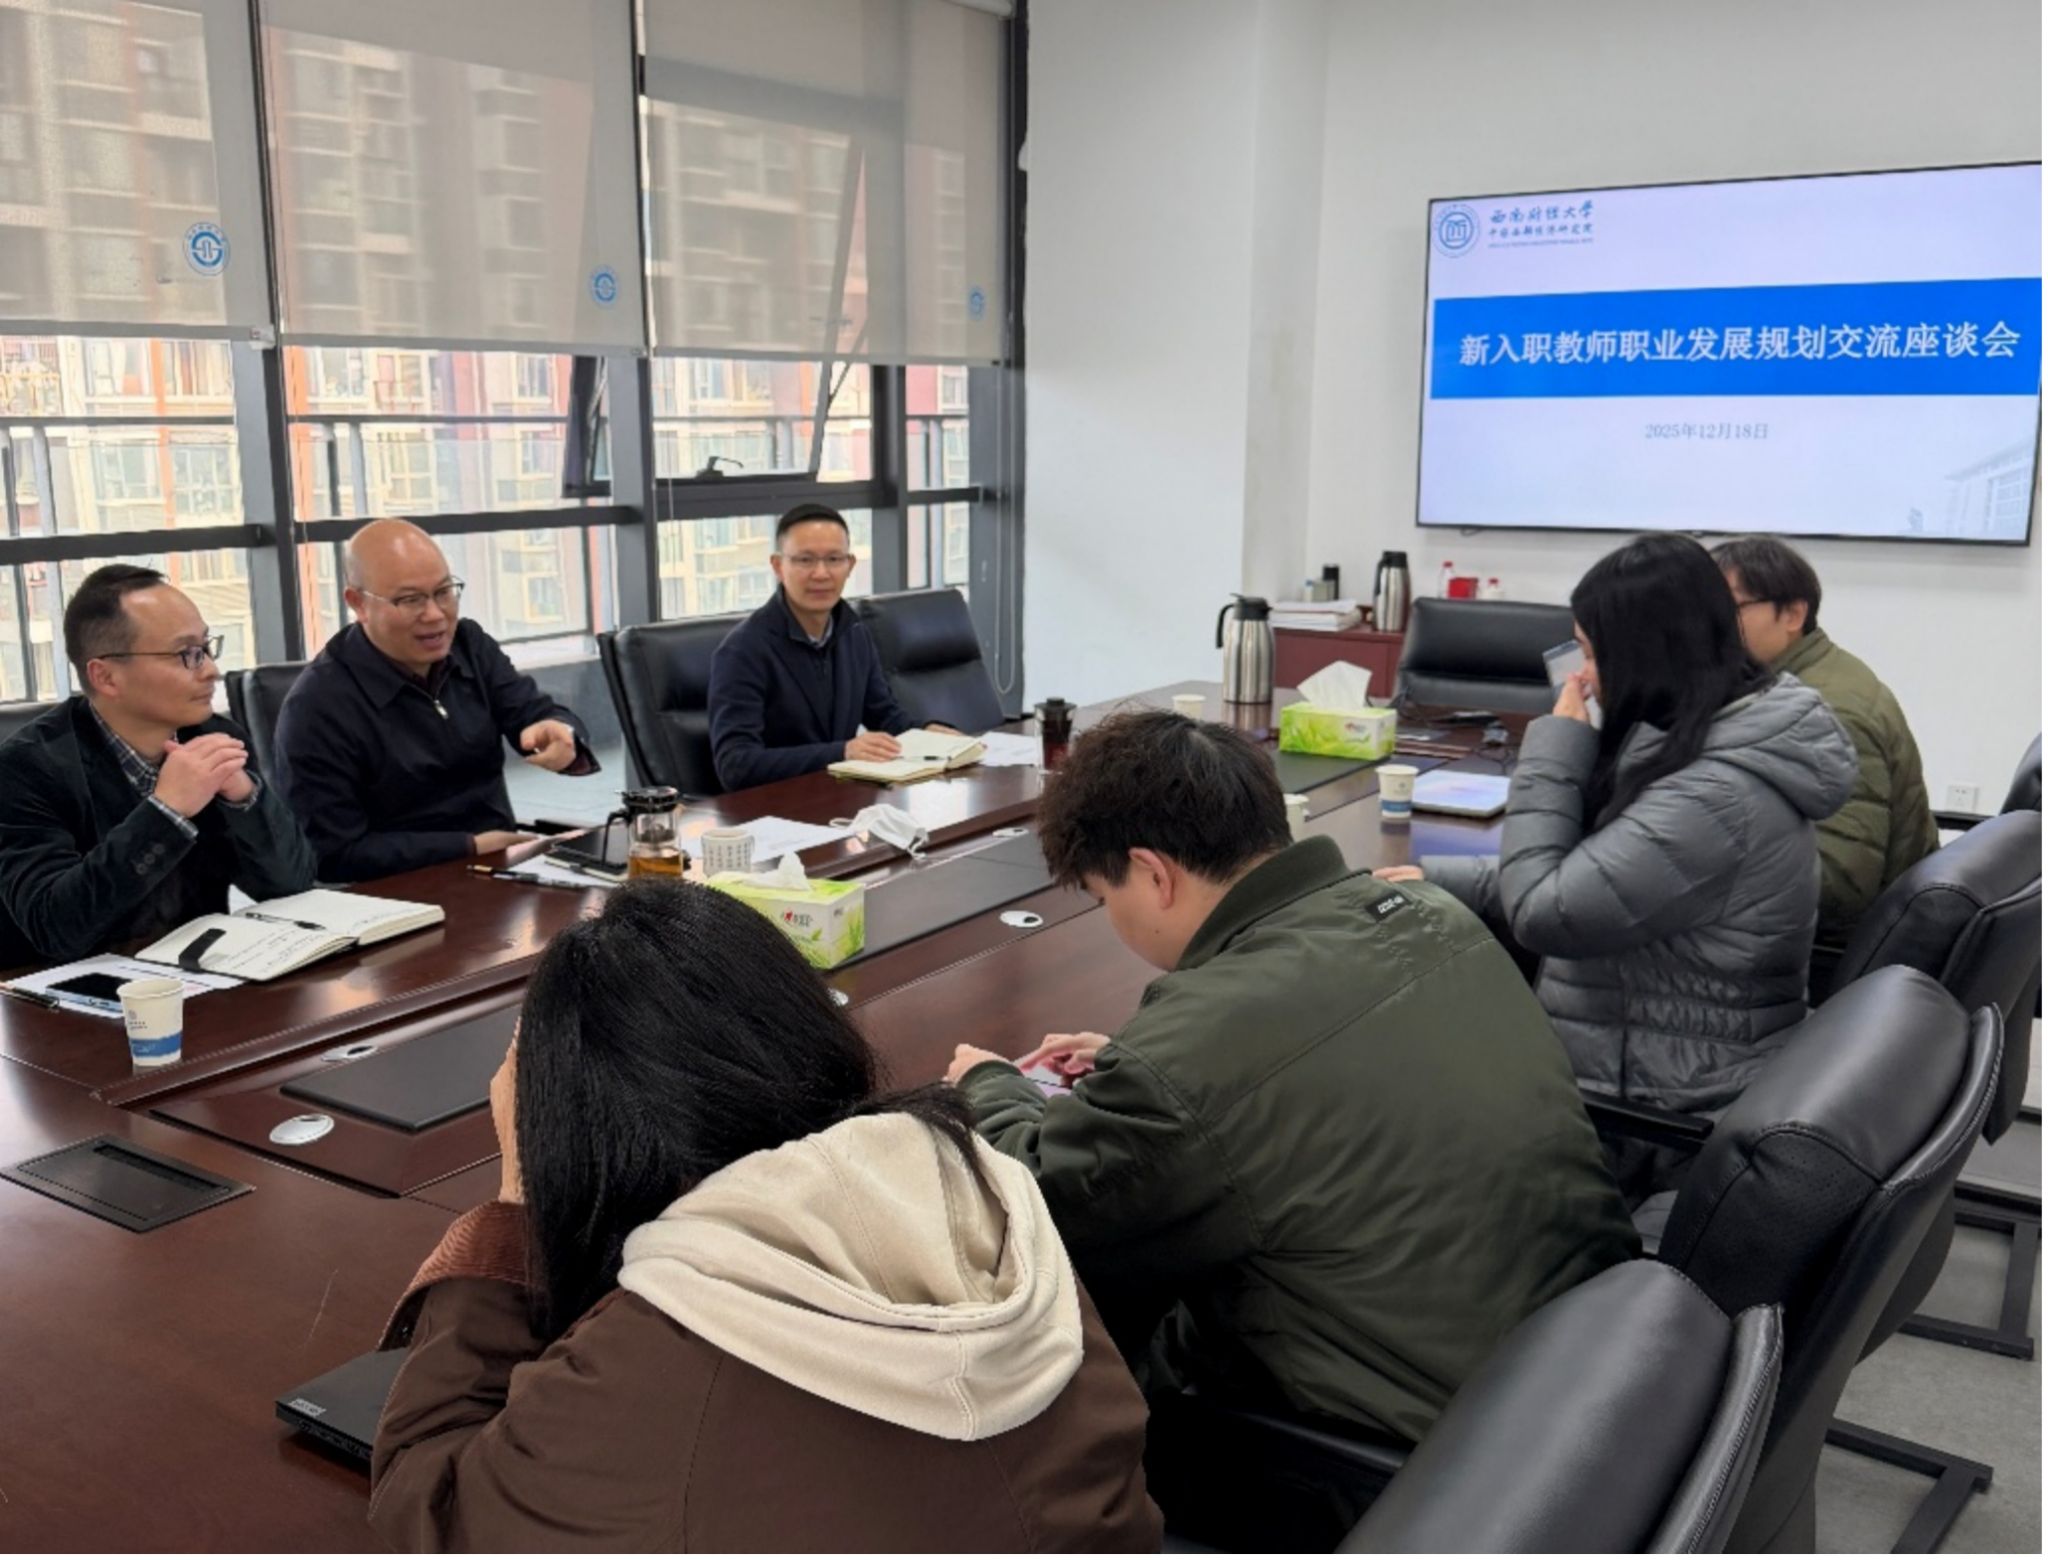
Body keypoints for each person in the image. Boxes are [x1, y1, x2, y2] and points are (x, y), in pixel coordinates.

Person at [942, 711, 1638, 1549]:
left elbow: (1044, 1211)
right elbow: (1309, 1056)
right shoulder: (1427, 912)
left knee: (1047, 1362)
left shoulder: (1201, 1050)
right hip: (1583, 1382)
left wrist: (986, 1086)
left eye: (1103, 898)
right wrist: (1144, 1066)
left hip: (1408, 1467)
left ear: (1152, 874)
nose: (1112, 922)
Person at [370, 879, 1160, 1553]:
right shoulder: (990, 1195)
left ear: (587, 1133)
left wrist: (516, 1200)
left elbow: (429, 1507)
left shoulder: (655, 1358)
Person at [1387, 534, 1858, 1137]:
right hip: (1636, 1057)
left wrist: (1555, 749)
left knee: (1385, 1077)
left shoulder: (1714, 798)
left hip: (1652, 1107)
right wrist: (1432, 878)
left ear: (1643, 656)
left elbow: (1542, 911)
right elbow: (1598, 873)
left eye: (1590, 654)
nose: (1582, 678)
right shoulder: (1699, 733)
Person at [0, 565, 315, 967]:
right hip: (64, 992)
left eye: (206, 648)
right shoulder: (26, 769)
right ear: (106, 677)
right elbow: (56, 926)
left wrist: (244, 800)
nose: (211, 670)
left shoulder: (212, 736)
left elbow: (292, 886)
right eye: (187, 655)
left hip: (201, 976)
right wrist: (166, 811)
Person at [274, 519, 598, 882]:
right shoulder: (317, 707)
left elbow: (537, 713)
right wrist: (467, 846)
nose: (435, 615)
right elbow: (331, 853)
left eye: (444, 592)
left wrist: (561, 731)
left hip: (500, 870)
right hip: (393, 892)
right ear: (359, 604)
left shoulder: (469, 645)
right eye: (410, 600)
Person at [1712, 535, 1938, 946]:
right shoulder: (1806, 680)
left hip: (1833, 952)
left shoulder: (1826, 711)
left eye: (1728, 610)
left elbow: (1840, 884)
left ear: (1793, 614)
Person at [707, 503, 924, 790]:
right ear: (778, 566)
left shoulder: (854, 633)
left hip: (842, 798)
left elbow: (885, 716)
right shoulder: (743, 650)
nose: (821, 573)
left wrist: (932, 734)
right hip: (778, 807)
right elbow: (736, 765)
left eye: (834, 559)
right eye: (805, 560)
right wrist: (842, 752)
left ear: (850, 565)